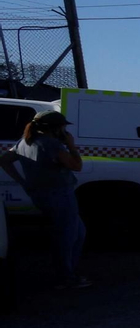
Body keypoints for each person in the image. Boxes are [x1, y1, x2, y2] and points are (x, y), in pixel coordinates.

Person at [0, 109, 88, 288]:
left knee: (78, 233)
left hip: (41, 194)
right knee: (67, 237)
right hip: (60, 195)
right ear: (55, 128)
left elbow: (4, 160)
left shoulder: (25, 141)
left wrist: (22, 181)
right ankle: (65, 277)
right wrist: (71, 145)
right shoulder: (51, 145)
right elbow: (76, 165)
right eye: (63, 127)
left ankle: (68, 271)